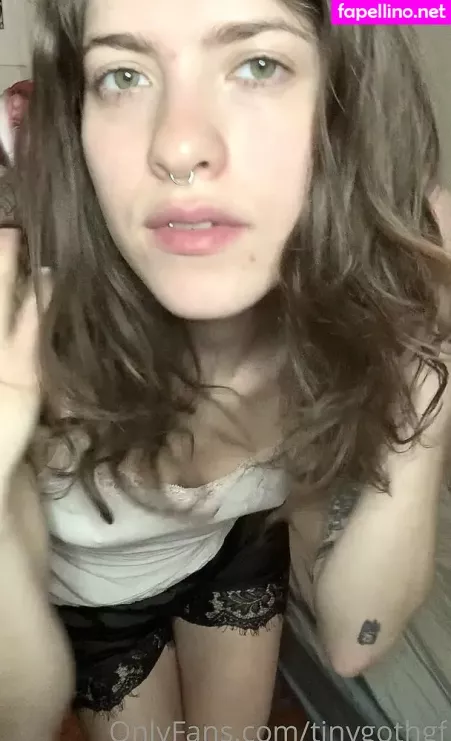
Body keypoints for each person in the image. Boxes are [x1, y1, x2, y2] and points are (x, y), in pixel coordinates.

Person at [1, 1, 451, 741]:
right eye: (122, 75)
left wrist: (431, 359)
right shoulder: (25, 348)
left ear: (347, 109)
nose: (177, 145)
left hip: (231, 556)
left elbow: (354, 638)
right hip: (94, 611)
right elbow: (18, 720)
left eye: (258, 64)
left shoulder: (334, 327)